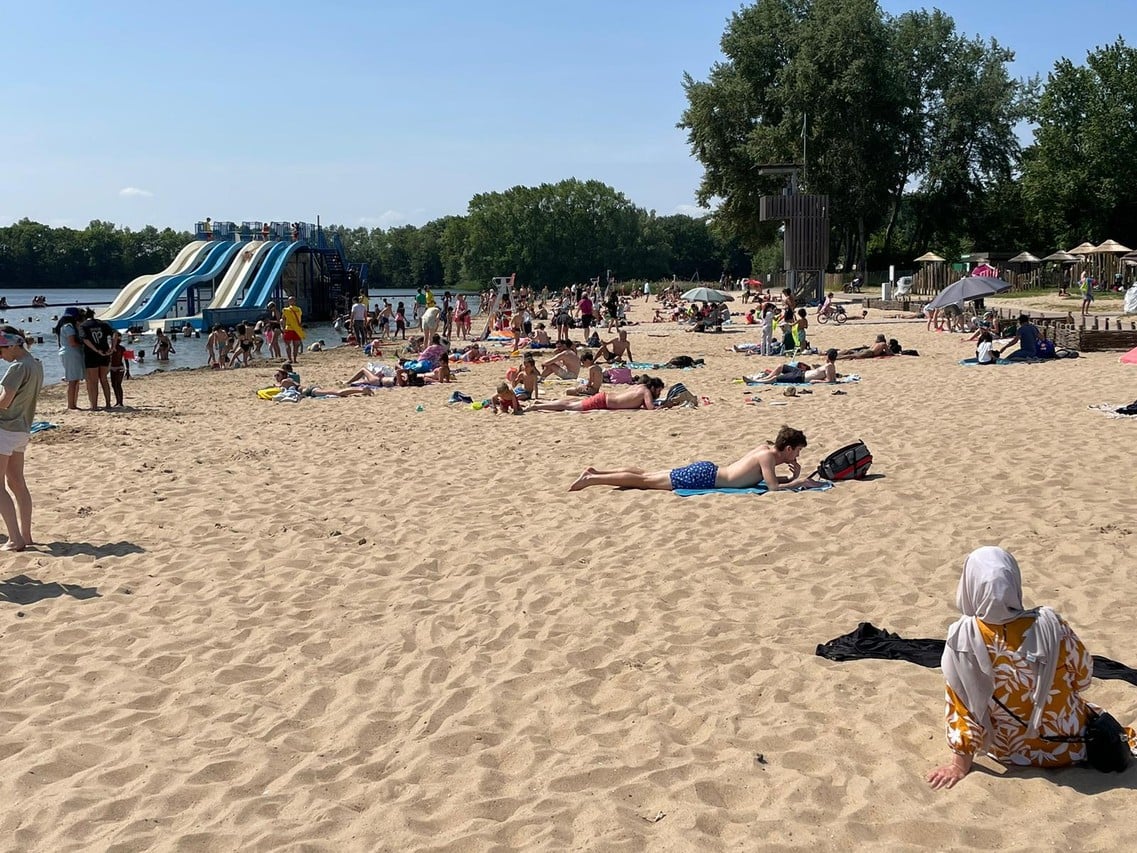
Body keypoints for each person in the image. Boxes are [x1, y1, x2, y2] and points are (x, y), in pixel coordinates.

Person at [927, 546, 1137, 790]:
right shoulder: (1051, 624)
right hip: (1071, 746)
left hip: (1010, 750)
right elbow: (1083, 677)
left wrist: (959, 765)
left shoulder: (962, 638)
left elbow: (962, 710)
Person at [568, 425, 824, 492]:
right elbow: (773, 488)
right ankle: (592, 479)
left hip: (709, 471)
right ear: (788, 448)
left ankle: (597, 472)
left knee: (646, 474)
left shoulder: (765, 450)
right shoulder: (769, 456)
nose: (798, 455)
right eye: (798, 450)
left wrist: (792, 476)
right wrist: (799, 483)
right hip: (706, 478)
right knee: (645, 481)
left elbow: (761, 478)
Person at [0, 327, 43, 551]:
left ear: (14, 345)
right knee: (17, 483)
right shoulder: (35, 364)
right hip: (22, 429)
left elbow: (5, 401)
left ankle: (15, 539)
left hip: (4, 428)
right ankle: (25, 536)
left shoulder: (17, 367)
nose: (0, 355)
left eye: (1, 349)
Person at [530, 377, 663, 412]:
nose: (658, 394)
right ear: (653, 387)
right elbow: (651, 408)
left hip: (605, 398)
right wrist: (666, 405)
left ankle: (540, 404)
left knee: (571, 404)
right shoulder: (646, 391)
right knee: (570, 406)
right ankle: (538, 406)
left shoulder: (640, 386)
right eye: (658, 391)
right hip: (603, 401)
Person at [79, 308, 113, 410]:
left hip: (91, 355)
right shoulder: (102, 324)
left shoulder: (83, 326)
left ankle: (94, 405)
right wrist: (112, 347)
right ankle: (108, 403)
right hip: (105, 352)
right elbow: (115, 334)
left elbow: (85, 339)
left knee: (93, 381)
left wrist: (96, 350)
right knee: (104, 379)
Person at [53, 306, 85, 410]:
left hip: (67, 352)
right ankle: (71, 404)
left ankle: (73, 403)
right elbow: (72, 342)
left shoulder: (63, 326)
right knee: (73, 380)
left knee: (75, 380)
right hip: (71, 353)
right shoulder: (68, 326)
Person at [108, 331, 130, 407]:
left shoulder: (122, 348)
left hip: (119, 367)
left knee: (118, 384)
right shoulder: (111, 348)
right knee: (114, 385)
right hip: (114, 367)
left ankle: (120, 402)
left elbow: (126, 359)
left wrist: (127, 370)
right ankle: (118, 401)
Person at [281, 295, 305, 362]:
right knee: (296, 345)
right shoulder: (299, 310)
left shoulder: (285, 310)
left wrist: (282, 328)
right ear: (295, 302)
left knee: (287, 344)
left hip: (288, 328)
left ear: (289, 302)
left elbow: (283, 319)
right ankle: (294, 359)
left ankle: (289, 359)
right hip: (297, 329)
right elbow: (300, 319)